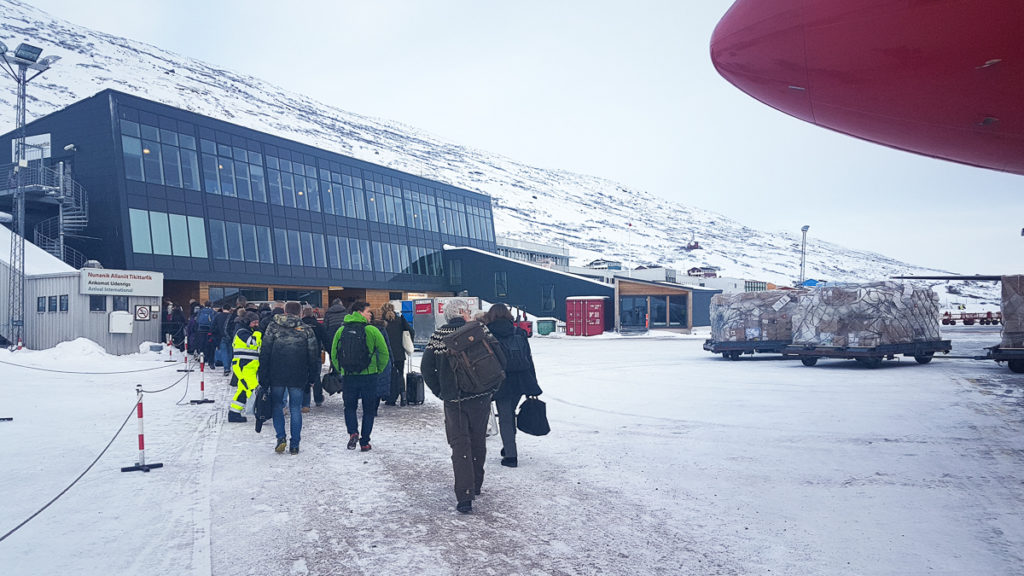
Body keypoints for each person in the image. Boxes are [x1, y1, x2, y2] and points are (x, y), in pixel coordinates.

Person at [421, 298, 502, 513]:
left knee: (459, 444)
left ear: (447, 315)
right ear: (465, 312)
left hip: (453, 400)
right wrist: (491, 388)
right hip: (481, 396)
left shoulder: (439, 336)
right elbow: (500, 359)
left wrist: (441, 391)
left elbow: (427, 368)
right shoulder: (480, 330)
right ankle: (476, 484)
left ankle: (464, 495)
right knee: (478, 440)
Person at [258, 301, 321, 455]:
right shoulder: (306, 330)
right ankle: (295, 444)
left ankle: (281, 437)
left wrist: (263, 375)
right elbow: (313, 355)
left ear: (284, 312)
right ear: (300, 313)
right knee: (295, 408)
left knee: (277, 406)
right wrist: (312, 377)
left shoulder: (272, 327)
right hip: (298, 374)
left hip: (276, 373)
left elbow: (264, 352)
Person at [484, 303, 542, 468]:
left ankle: (511, 456)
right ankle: (508, 446)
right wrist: (533, 383)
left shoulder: (488, 334)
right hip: (521, 380)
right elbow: (528, 359)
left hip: (500, 380)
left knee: (505, 417)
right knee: (509, 414)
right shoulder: (519, 333)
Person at [331, 301, 389, 452]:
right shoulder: (372, 330)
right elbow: (384, 353)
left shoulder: (341, 330)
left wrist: (341, 369)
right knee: (368, 410)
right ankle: (365, 442)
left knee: (349, 407)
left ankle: (353, 432)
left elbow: (334, 354)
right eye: (368, 311)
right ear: (359, 312)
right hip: (369, 376)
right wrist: (378, 369)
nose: (370, 314)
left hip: (349, 375)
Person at [227, 312, 261, 423]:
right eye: (254, 322)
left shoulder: (247, 331)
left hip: (248, 366)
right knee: (253, 389)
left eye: (257, 322)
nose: (256, 325)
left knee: (242, 390)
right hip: (244, 366)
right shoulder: (242, 332)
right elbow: (254, 342)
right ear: (247, 322)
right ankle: (260, 412)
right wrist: (258, 333)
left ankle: (234, 413)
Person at [381, 302, 414, 406]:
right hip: (399, 353)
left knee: (389, 375)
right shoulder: (400, 320)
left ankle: (391, 399)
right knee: (400, 374)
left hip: (387, 353)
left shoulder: (382, 322)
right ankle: (403, 397)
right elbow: (411, 331)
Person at [300, 305, 328, 410]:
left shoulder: (300, 325)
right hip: (315, 354)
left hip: (302, 354)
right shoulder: (318, 325)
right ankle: (318, 399)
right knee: (316, 376)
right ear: (313, 314)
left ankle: (305, 403)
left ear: (302, 314)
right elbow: (326, 339)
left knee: (303, 377)